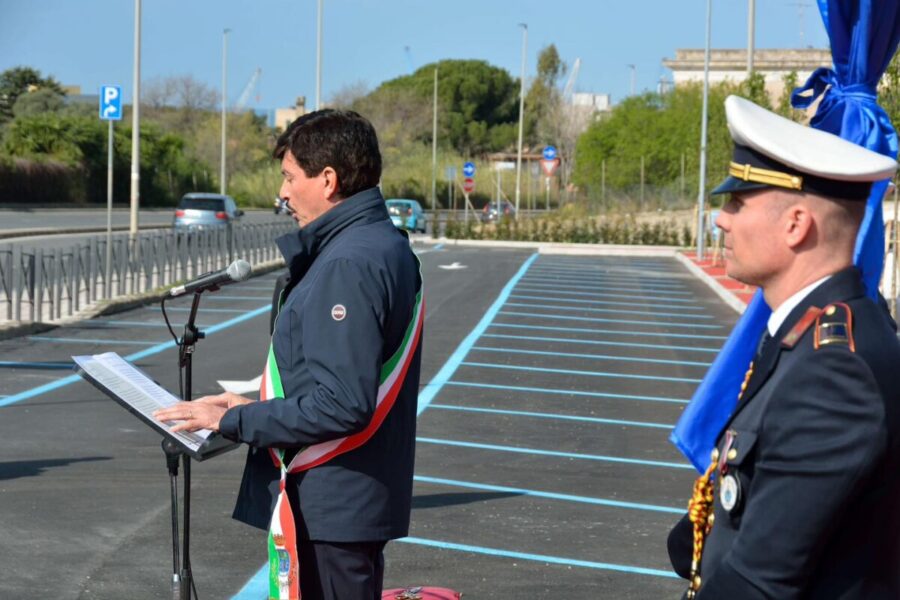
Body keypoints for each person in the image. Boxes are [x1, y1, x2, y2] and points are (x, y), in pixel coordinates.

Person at [155, 109, 424, 600]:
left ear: (327, 180)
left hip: (331, 507)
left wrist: (236, 422)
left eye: (288, 176)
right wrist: (243, 405)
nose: (281, 193)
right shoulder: (380, 245)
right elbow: (321, 376)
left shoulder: (348, 262)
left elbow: (342, 402)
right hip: (346, 506)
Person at [667, 95, 900, 599]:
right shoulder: (808, 331)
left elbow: (761, 583)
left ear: (796, 224)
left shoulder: (834, 372)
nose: (721, 220)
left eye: (736, 202)